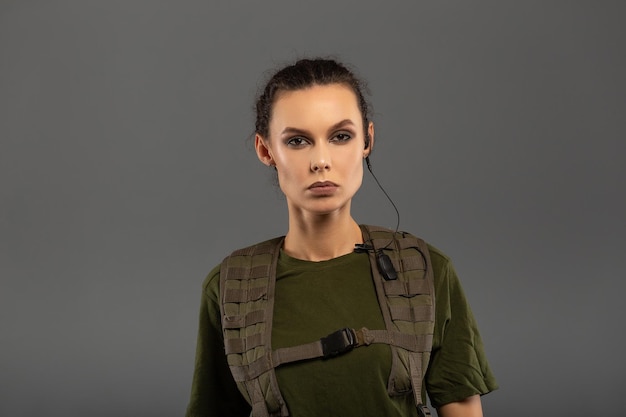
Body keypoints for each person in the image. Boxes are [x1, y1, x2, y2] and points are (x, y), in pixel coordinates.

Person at [185, 58, 497, 417]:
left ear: (368, 140)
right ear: (266, 150)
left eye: (340, 137)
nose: (321, 160)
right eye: (298, 140)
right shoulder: (231, 288)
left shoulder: (424, 271)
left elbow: (461, 406)